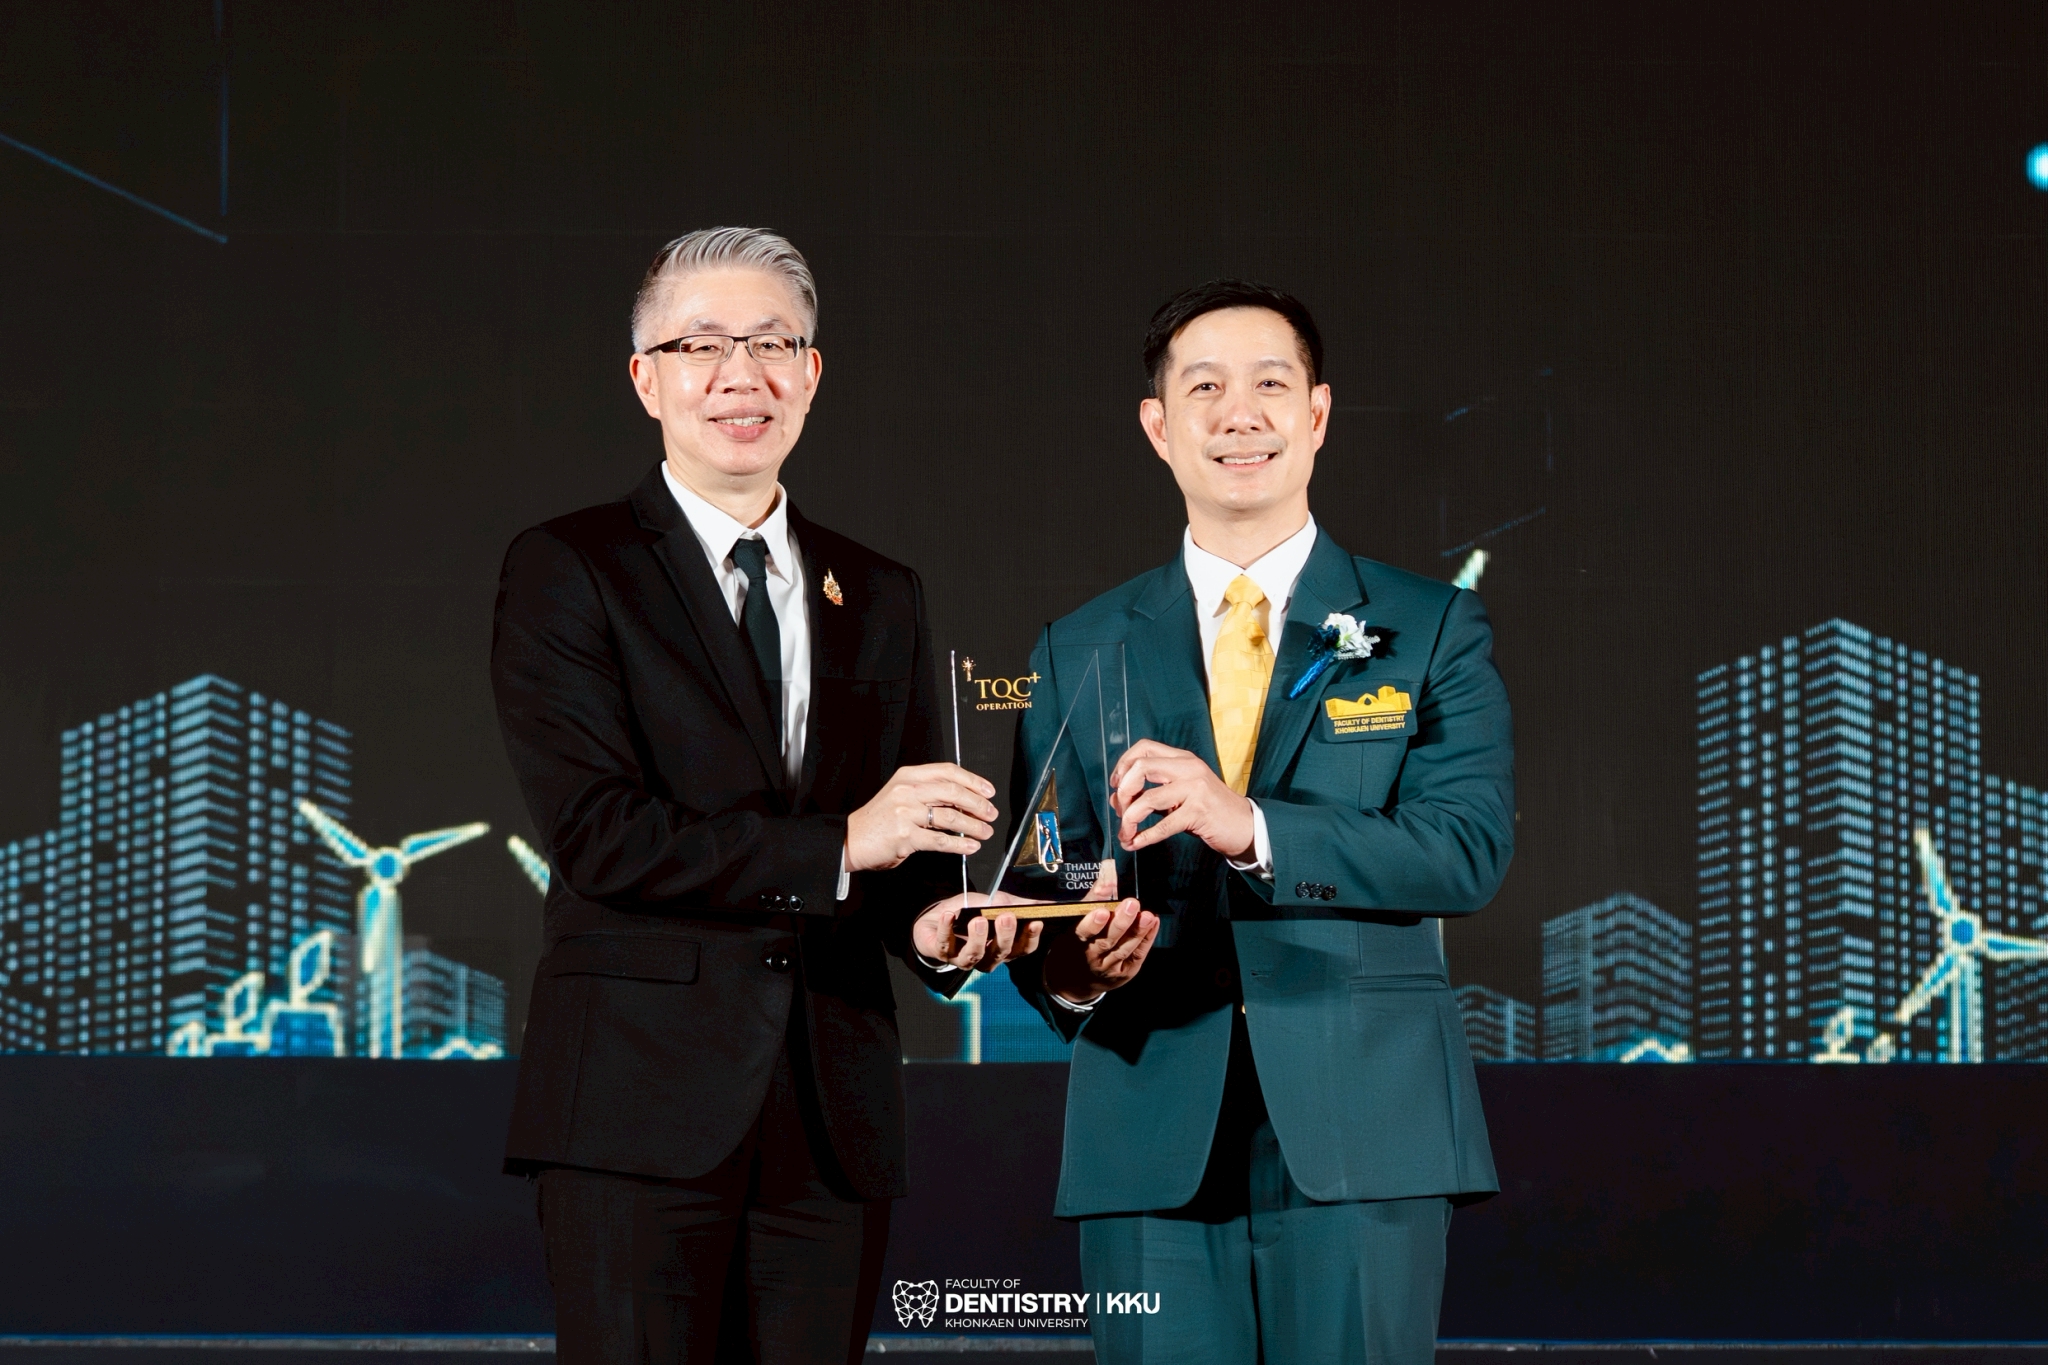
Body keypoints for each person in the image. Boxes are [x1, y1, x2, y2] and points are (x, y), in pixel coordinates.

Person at [490, 227, 1039, 1364]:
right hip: (635, 1113)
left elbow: (898, 850)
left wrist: (935, 927)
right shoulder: (568, 566)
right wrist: (844, 844)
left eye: (772, 344)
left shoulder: (878, 589)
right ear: (645, 379)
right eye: (701, 346)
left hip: (829, 1117)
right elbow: (600, 836)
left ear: (812, 373)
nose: (740, 374)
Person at [1006, 280, 1514, 1365]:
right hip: (1146, 1133)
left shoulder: (1428, 626)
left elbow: (1466, 849)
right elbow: (1050, 884)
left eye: (1270, 385)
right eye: (1204, 389)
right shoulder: (1076, 646)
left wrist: (1252, 829)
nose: (1239, 415)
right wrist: (1072, 970)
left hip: (1365, 1135)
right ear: (1158, 426)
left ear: (1317, 415)